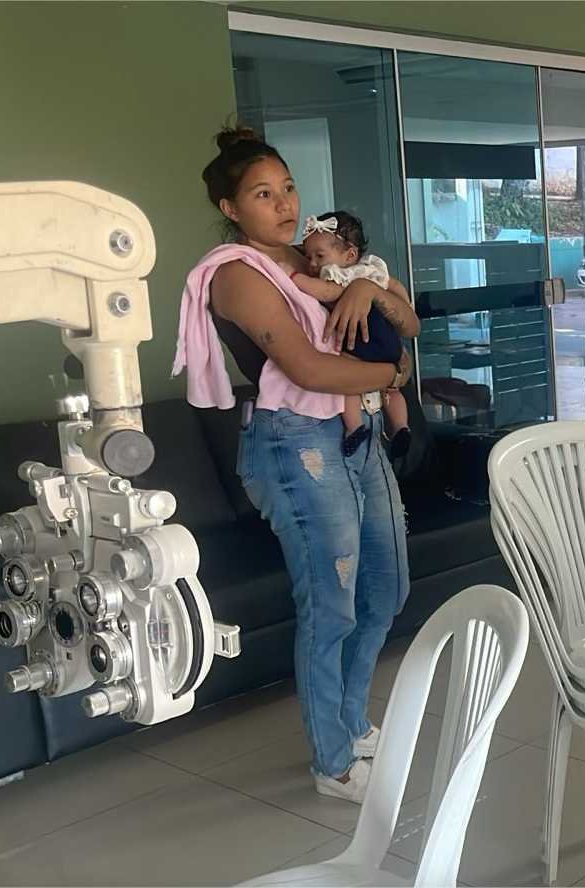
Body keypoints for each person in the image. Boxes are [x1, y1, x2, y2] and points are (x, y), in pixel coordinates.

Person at [174, 126, 420, 803]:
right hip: (294, 444)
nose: (282, 205)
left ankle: (350, 719)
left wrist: (369, 294)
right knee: (331, 605)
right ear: (231, 207)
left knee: (387, 590)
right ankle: (334, 761)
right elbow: (308, 366)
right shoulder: (235, 277)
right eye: (262, 194)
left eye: (287, 189)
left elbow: (409, 319)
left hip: (356, 430)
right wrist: (392, 369)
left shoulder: (321, 264)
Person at [295, 210, 413, 460]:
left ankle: (354, 428)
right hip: (390, 344)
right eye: (308, 257)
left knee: (347, 382)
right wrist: (404, 305)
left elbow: (326, 293)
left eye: (319, 256)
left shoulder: (338, 275)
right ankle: (402, 427)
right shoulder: (372, 269)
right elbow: (397, 287)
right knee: (392, 391)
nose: (313, 263)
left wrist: (296, 278)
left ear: (349, 255)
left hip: (363, 341)